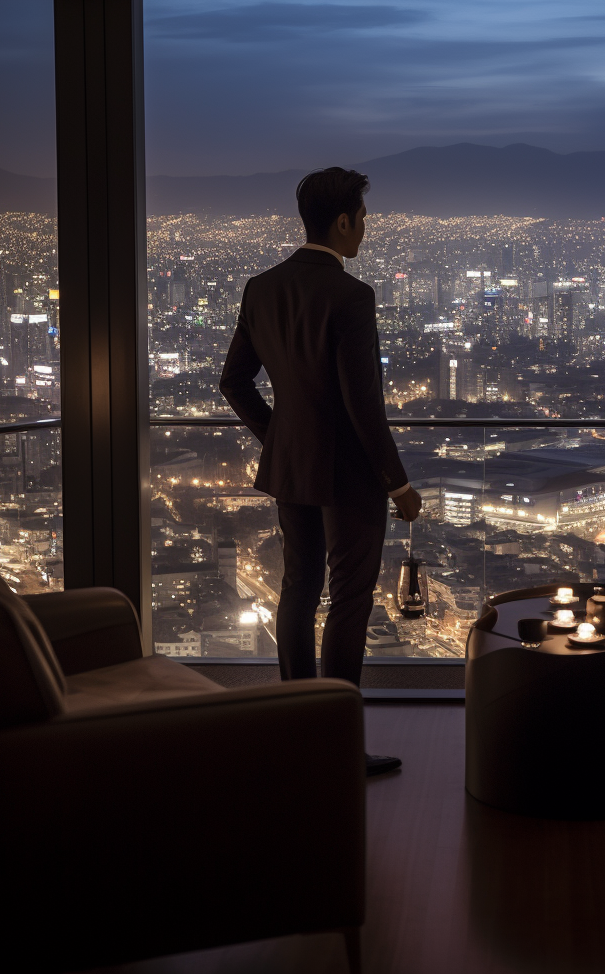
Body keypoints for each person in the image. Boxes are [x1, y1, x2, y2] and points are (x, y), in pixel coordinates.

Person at [220, 167, 422, 776]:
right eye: (363, 219)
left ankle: (297, 731)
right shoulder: (351, 297)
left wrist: (279, 435)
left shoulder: (262, 287)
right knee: (350, 600)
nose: (366, 230)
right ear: (342, 222)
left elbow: (234, 382)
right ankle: (337, 747)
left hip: (291, 468)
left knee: (299, 589)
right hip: (351, 476)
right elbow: (365, 407)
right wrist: (400, 483)